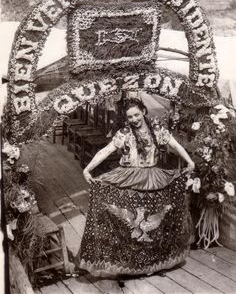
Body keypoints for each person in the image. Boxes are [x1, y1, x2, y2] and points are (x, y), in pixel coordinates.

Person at [76, 98, 195, 278]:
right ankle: (129, 264)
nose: (134, 119)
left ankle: (154, 262)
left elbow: (175, 145)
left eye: (137, 114)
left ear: (144, 112)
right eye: (130, 116)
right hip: (128, 178)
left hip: (152, 178)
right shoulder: (124, 133)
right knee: (130, 223)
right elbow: (105, 151)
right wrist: (87, 169)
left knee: (155, 222)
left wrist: (190, 161)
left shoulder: (157, 129)